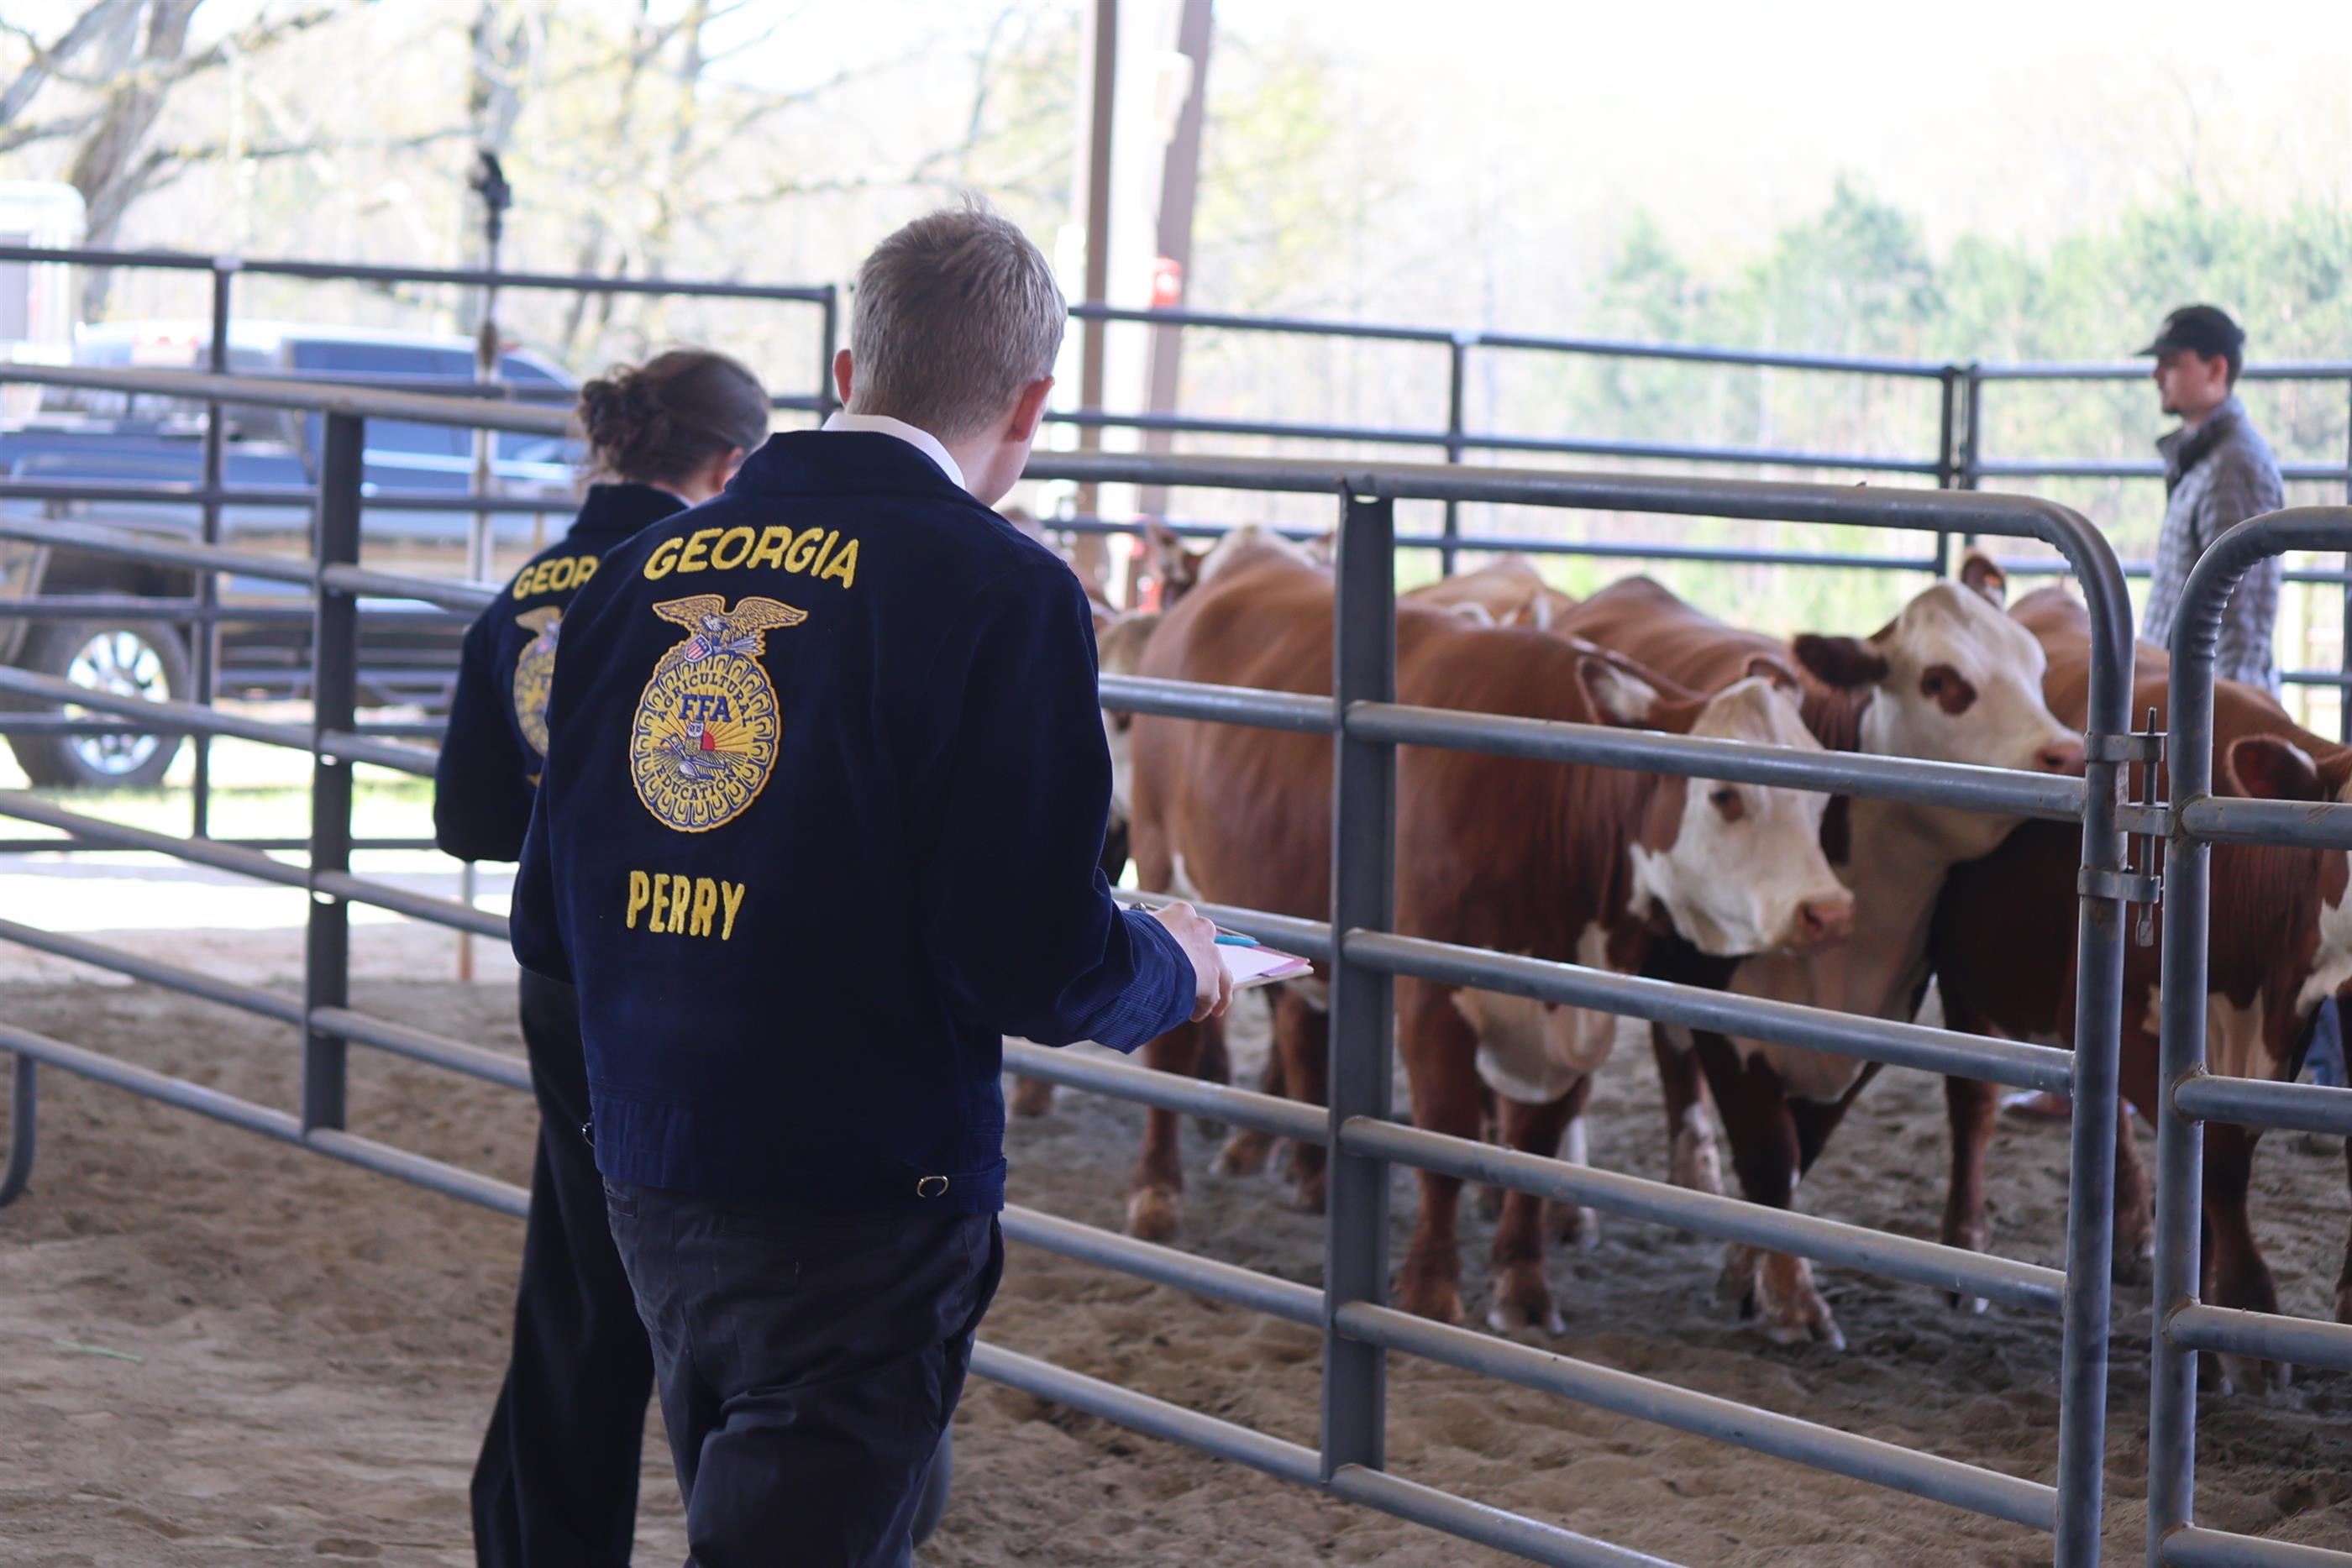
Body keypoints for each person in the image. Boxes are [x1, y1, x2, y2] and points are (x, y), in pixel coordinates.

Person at [508, 199, 1231, 1568]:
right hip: (860, 1188)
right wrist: (1169, 965)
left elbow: (549, 914)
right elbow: (1027, 954)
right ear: (1031, 405)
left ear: (847, 372)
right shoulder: (1006, 592)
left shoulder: (636, 574)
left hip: (654, 1166)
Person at [435, 349, 772, 1568]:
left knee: (577, 1266)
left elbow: (469, 818)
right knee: (693, 1275)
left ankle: (532, 1536)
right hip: (679, 952)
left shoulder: (528, 589)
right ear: (731, 465)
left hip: (559, 966)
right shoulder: (695, 590)